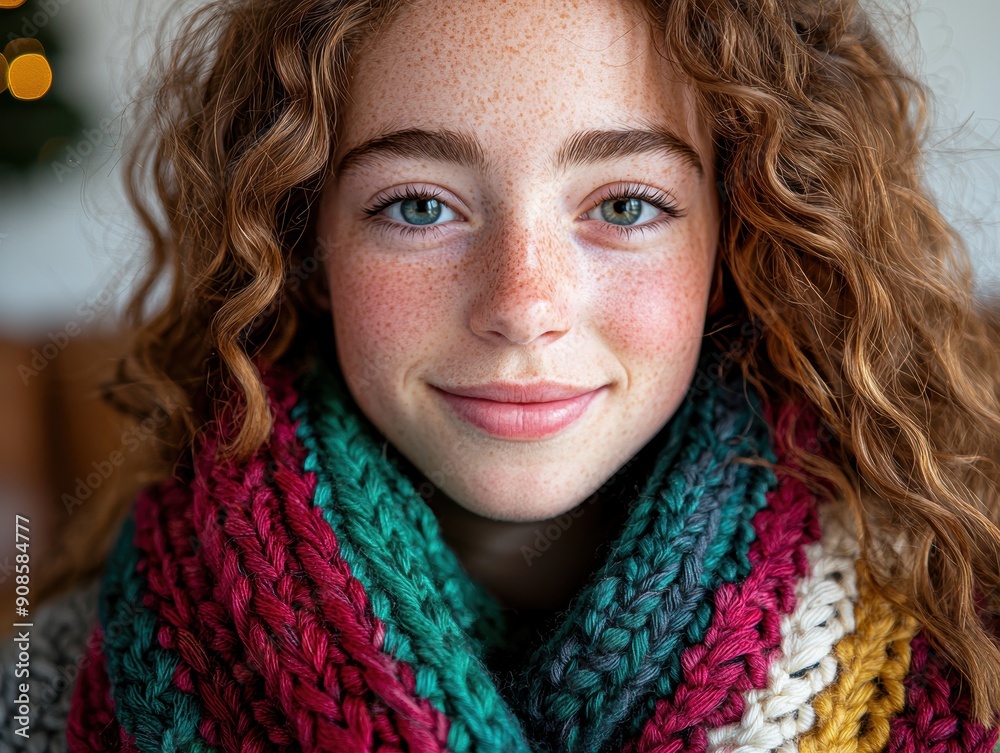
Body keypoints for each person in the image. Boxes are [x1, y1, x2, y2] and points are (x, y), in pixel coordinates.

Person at [2, 0, 999, 750]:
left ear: (742, 239)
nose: (523, 304)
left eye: (623, 205)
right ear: (303, 246)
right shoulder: (41, 696)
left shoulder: (972, 659)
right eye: (420, 207)